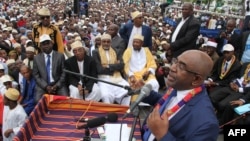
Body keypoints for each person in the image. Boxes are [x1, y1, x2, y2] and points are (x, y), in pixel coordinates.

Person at [141, 50, 219, 140]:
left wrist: (162, 136)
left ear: (196, 79)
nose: (172, 68)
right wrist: (142, 91)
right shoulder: (179, 87)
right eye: (176, 61)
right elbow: (165, 102)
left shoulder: (207, 124)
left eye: (181, 66)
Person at [92, 34, 131, 105]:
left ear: (110, 42)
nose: (106, 43)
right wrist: (115, 66)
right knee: (106, 95)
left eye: (108, 41)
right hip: (103, 78)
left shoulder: (116, 51)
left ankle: (124, 110)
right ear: (101, 42)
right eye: (104, 41)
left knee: (127, 91)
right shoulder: (95, 52)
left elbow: (121, 66)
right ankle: (109, 113)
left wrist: (107, 66)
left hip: (117, 78)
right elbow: (99, 69)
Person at [33, 34, 68, 103]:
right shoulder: (36, 58)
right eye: (43, 44)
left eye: (48, 43)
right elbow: (36, 75)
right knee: (37, 100)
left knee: (65, 99)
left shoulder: (60, 56)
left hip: (58, 84)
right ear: (40, 46)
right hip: (43, 85)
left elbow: (64, 72)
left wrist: (57, 85)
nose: (46, 46)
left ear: (51, 43)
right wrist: (46, 86)